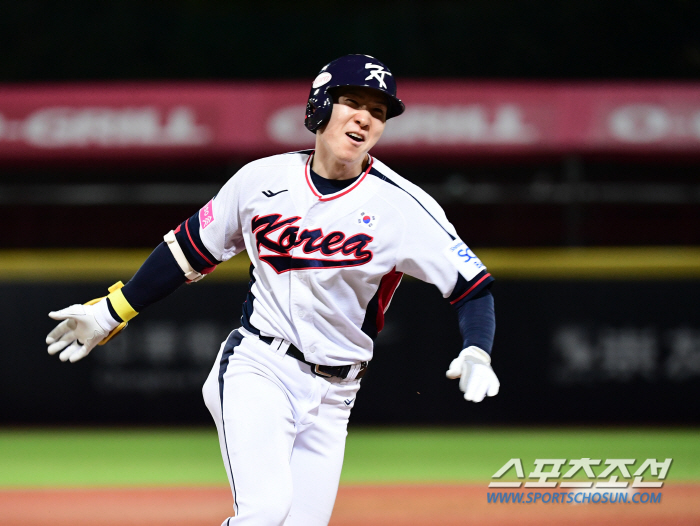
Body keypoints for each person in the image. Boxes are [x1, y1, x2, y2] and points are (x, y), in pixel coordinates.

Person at [45, 54, 500, 526]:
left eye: (379, 112)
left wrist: (477, 351)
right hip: (261, 366)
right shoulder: (262, 180)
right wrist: (110, 311)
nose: (365, 118)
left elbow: (473, 289)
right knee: (265, 512)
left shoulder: (402, 206)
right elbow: (185, 253)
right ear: (320, 106)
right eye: (351, 102)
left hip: (337, 397)